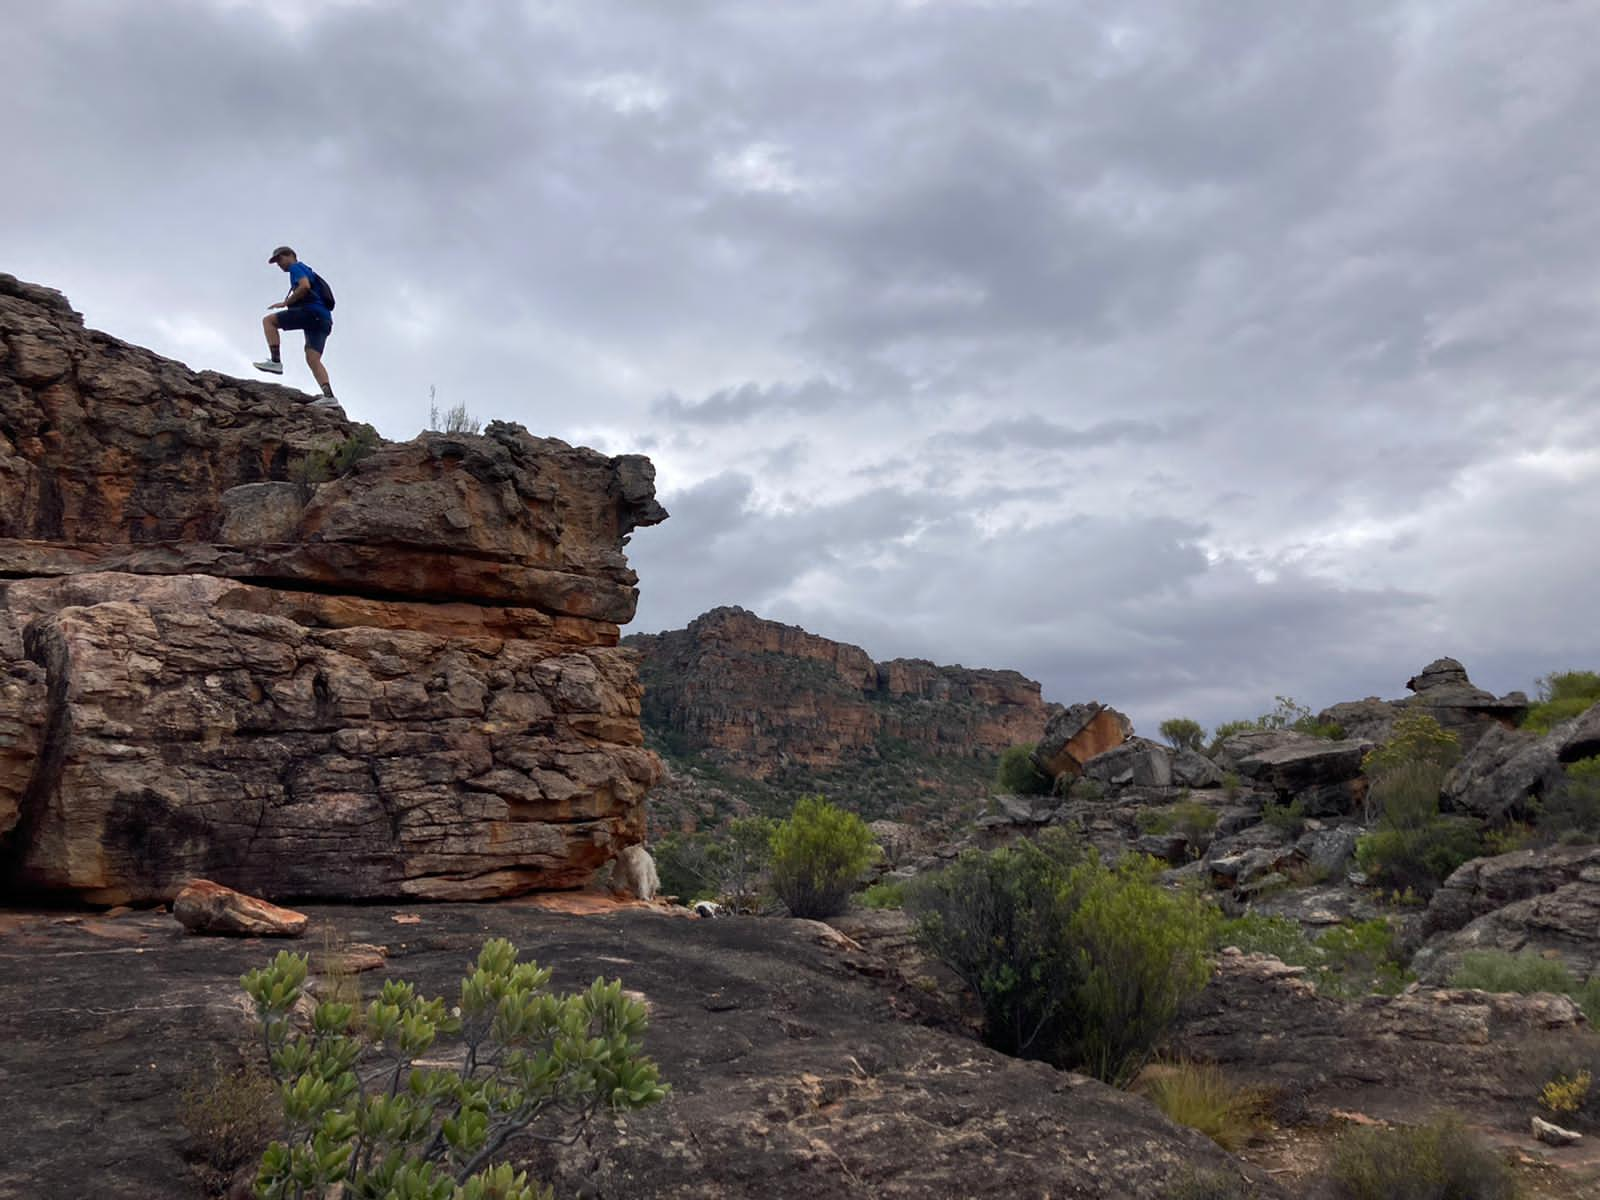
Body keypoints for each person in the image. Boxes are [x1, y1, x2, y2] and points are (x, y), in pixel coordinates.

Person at [254, 246, 341, 410]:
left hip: (312, 313)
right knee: (313, 359)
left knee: (269, 321)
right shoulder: (308, 270)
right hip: (324, 320)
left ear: (291, 256)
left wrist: (286, 303)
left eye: (280, 259)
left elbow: (305, 286)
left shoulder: (296, 267)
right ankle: (329, 397)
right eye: (276, 261)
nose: (279, 264)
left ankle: (275, 362)